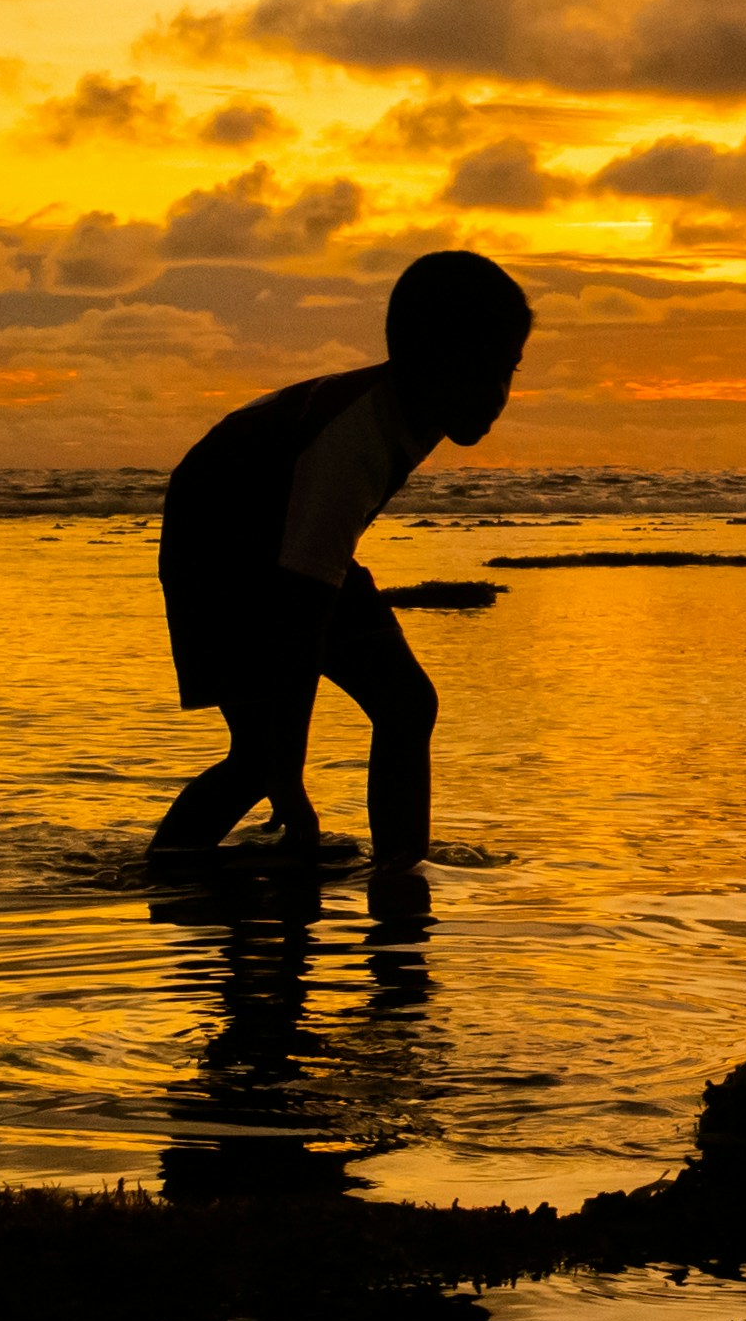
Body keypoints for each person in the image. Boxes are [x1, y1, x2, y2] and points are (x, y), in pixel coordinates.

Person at [150, 248, 535, 864]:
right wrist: (291, 778)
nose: (495, 394)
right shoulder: (351, 442)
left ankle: (401, 872)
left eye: (507, 371)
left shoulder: (408, 408)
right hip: (216, 545)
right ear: (425, 360)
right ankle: (165, 871)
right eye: (477, 369)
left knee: (408, 704)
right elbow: (299, 616)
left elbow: (310, 576)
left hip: (282, 529)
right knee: (257, 761)